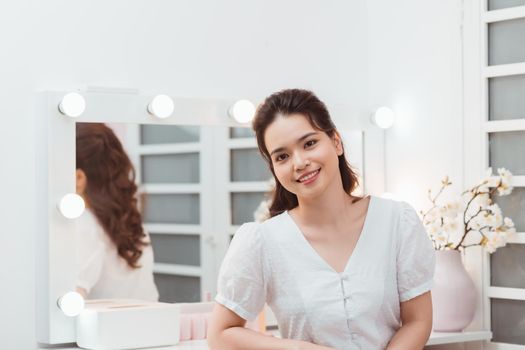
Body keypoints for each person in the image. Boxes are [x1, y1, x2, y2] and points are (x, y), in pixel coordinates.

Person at [208, 89, 435, 349]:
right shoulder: (262, 242)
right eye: (282, 156)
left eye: (309, 143)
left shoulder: (397, 221)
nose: (300, 162)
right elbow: (220, 335)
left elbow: (418, 321)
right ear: (274, 168)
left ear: (336, 142)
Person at [75, 123, 158, 301]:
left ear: (79, 178)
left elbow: (69, 301)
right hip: (151, 324)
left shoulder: (83, 226)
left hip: (105, 328)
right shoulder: (132, 223)